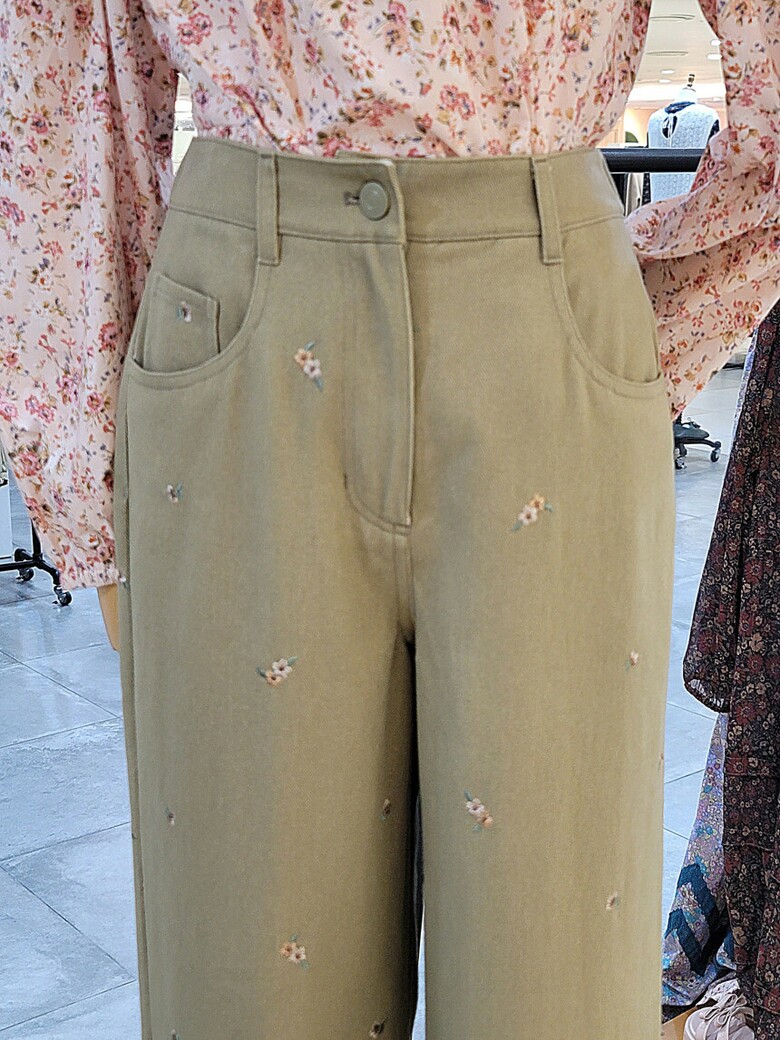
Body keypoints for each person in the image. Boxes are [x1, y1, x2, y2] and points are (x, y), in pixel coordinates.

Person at [1, 2, 778, 1037]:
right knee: (247, 983)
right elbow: (67, 80)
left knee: (549, 983)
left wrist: (629, 328)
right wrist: (80, 465)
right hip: (248, 348)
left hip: (541, 331)